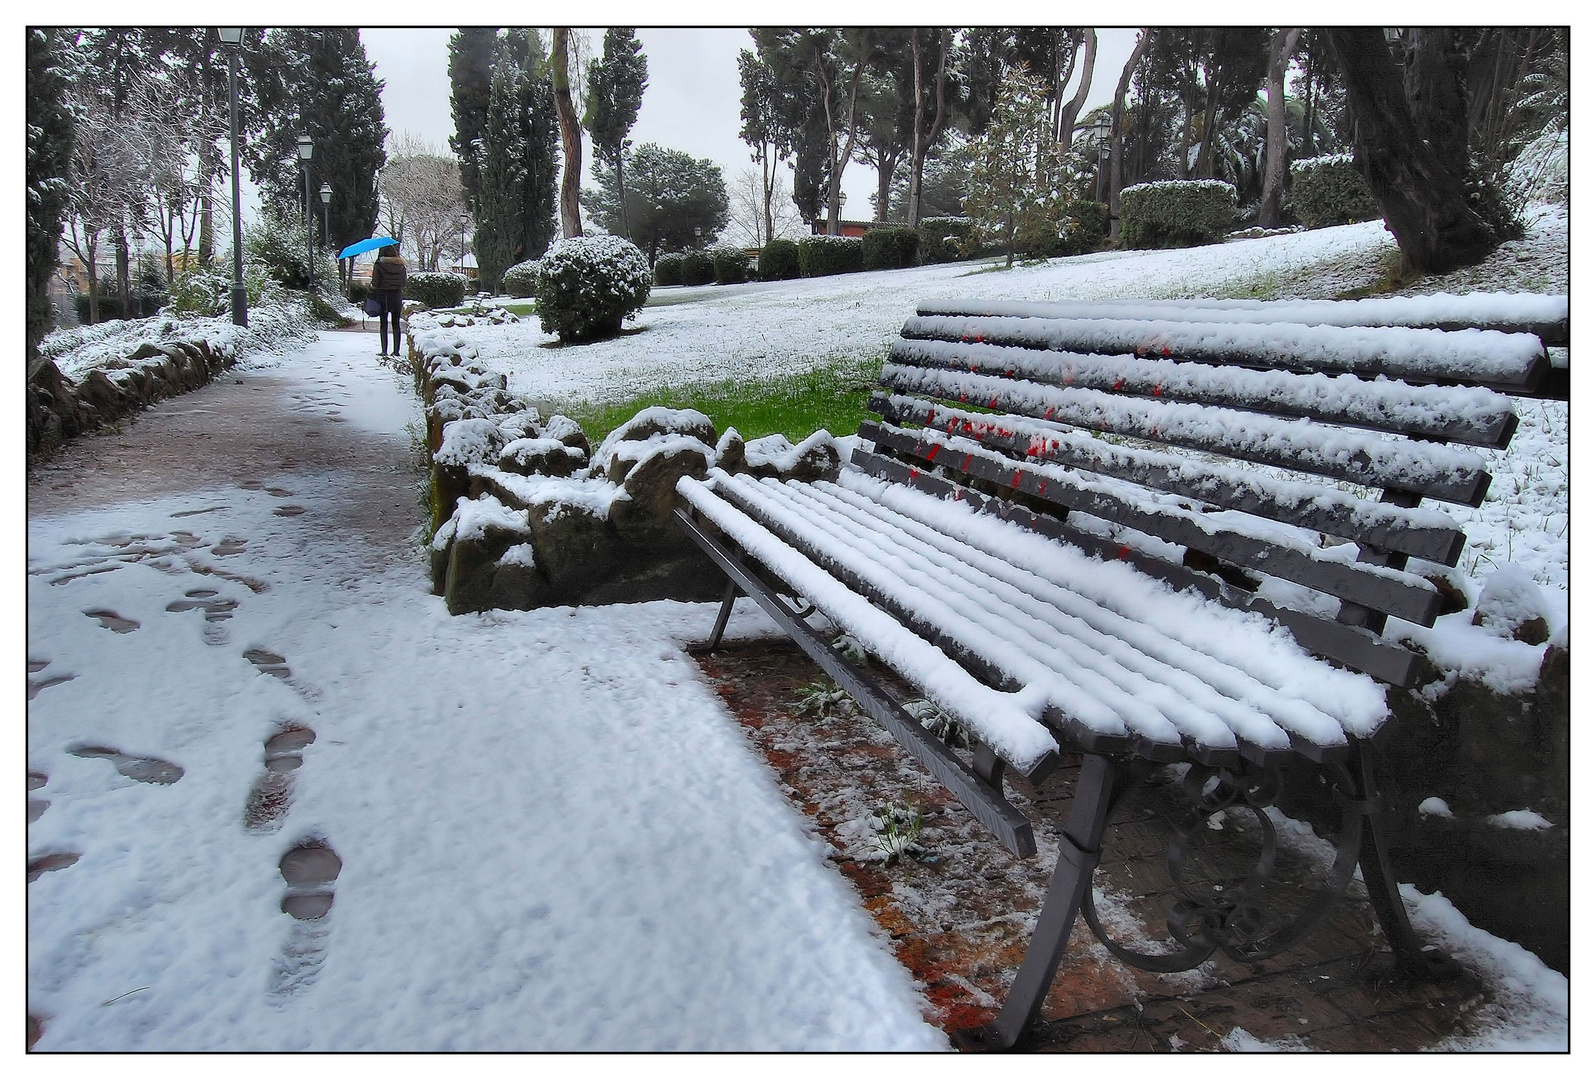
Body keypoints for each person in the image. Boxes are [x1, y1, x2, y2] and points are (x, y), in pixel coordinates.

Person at [368, 245, 407, 357]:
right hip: (397, 296)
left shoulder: (379, 265)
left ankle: (384, 350)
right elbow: (404, 283)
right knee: (396, 324)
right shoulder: (401, 266)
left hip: (383, 296)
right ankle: (396, 351)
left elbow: (375, 283)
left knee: (383, 324)